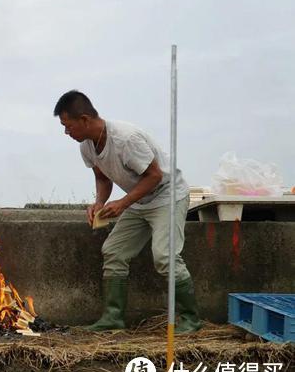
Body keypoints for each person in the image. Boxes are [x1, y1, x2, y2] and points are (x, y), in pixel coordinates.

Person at [54, 90, 202, 333]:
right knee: (113, 251)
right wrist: (100, 203)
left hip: (167, 196)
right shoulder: (87, 146)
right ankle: (113, 319)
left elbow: (154, 176)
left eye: (67, 126)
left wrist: (122, 203)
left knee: (165, 256)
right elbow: (102, 177)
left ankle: (190, 320)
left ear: (84, 120)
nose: (66, 132)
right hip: (139, 200)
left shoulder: (126, 139)